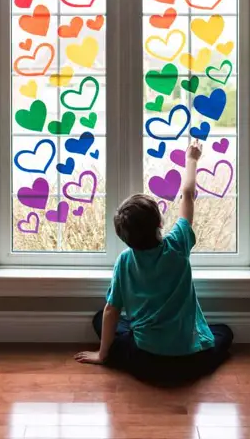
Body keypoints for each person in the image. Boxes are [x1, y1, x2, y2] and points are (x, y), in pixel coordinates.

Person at [75, 140, 233, 385]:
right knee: (224, 333)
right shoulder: (177, 245)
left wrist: (102, 354)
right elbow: (188, 196)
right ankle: (192, 362)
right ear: (160, 223)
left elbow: (111, 310)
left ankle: (125, 357)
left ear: (124, 238)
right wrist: (191, 159)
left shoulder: (125, 261)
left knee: (101, 320)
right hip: (188, 360)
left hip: (145, 361)